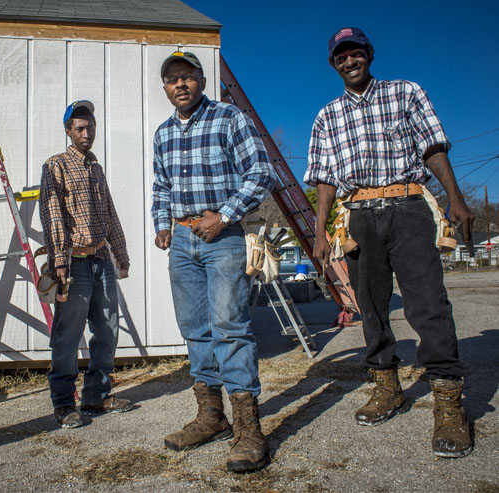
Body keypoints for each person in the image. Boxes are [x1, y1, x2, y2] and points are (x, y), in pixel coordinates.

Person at [305, 28, 475, 458]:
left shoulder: (405, 92)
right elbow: (324, 179)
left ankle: (448, 403)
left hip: (408, 206)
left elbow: (433, 146)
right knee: (372, 305)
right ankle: (387, 387)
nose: (349, 60)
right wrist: (320, 231)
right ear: (333, 64)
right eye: (341, 56)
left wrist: (455, 198)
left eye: (356, 52)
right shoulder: (326, 116)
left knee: (427, 302)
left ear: (369, 55)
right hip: (357, 217)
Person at [151, 51, 277, 472]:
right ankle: (211, 416)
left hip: (223, 236)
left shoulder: (228, 117)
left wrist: (223, 217)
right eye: (172, 79)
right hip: (183, 239)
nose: (180, 84)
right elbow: (161, 184)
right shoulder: (163, 133)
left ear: (202, 81)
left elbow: (261, 173)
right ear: (165, 87)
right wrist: (163, 224)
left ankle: (247, 429)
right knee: (194, 329)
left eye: (187, 76)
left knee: (230, 327)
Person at [39, 100, 132, 429]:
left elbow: (109, 212)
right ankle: (64, 404)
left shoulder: (96, 167)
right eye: (79, 127)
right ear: (68, 131)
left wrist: (121, 255)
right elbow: (51, 216)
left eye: (90, 126)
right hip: (73, 264)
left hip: (101, 259)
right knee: (67, 335)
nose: (86, 132)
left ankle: (96, 395)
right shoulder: (56, 165)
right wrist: (59, 262)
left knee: (107, 329)